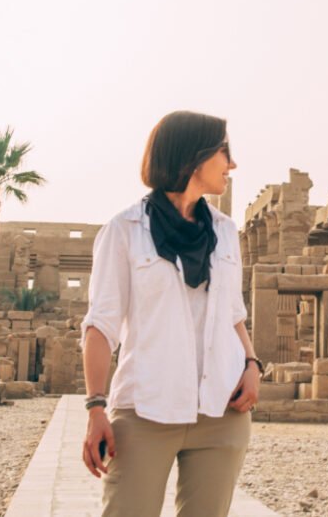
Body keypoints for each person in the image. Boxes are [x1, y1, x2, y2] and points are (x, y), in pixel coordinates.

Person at [80, 110, 261, 516]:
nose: (232, 164)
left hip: (222, 411)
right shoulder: (123, 230)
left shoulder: (227, 231)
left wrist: (251, 363)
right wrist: (95, 406)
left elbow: (233, 312)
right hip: (146, 410)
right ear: (192, 156)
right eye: (224, 151)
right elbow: (101, 326)